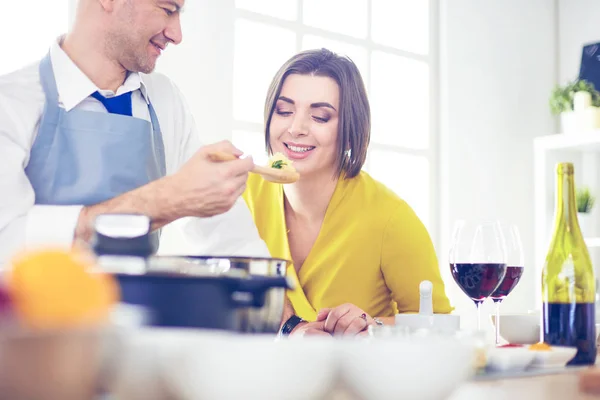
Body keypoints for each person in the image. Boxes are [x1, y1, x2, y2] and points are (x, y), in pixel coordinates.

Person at [0, 0, 269, 265]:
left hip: (140, 308)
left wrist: (274, 291)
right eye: (167, 9)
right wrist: (160, 201)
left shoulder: (165, 99)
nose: (177, 35)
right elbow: (6, 241)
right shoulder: (11, 103)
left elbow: (226, 233)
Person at [243, 49, 452, 337]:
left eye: (320, 116)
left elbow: (440, 325)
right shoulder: (243, 197)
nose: (296, 128)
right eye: (284, 111)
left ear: (350, 132)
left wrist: (373, 326)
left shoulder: (390, 217)